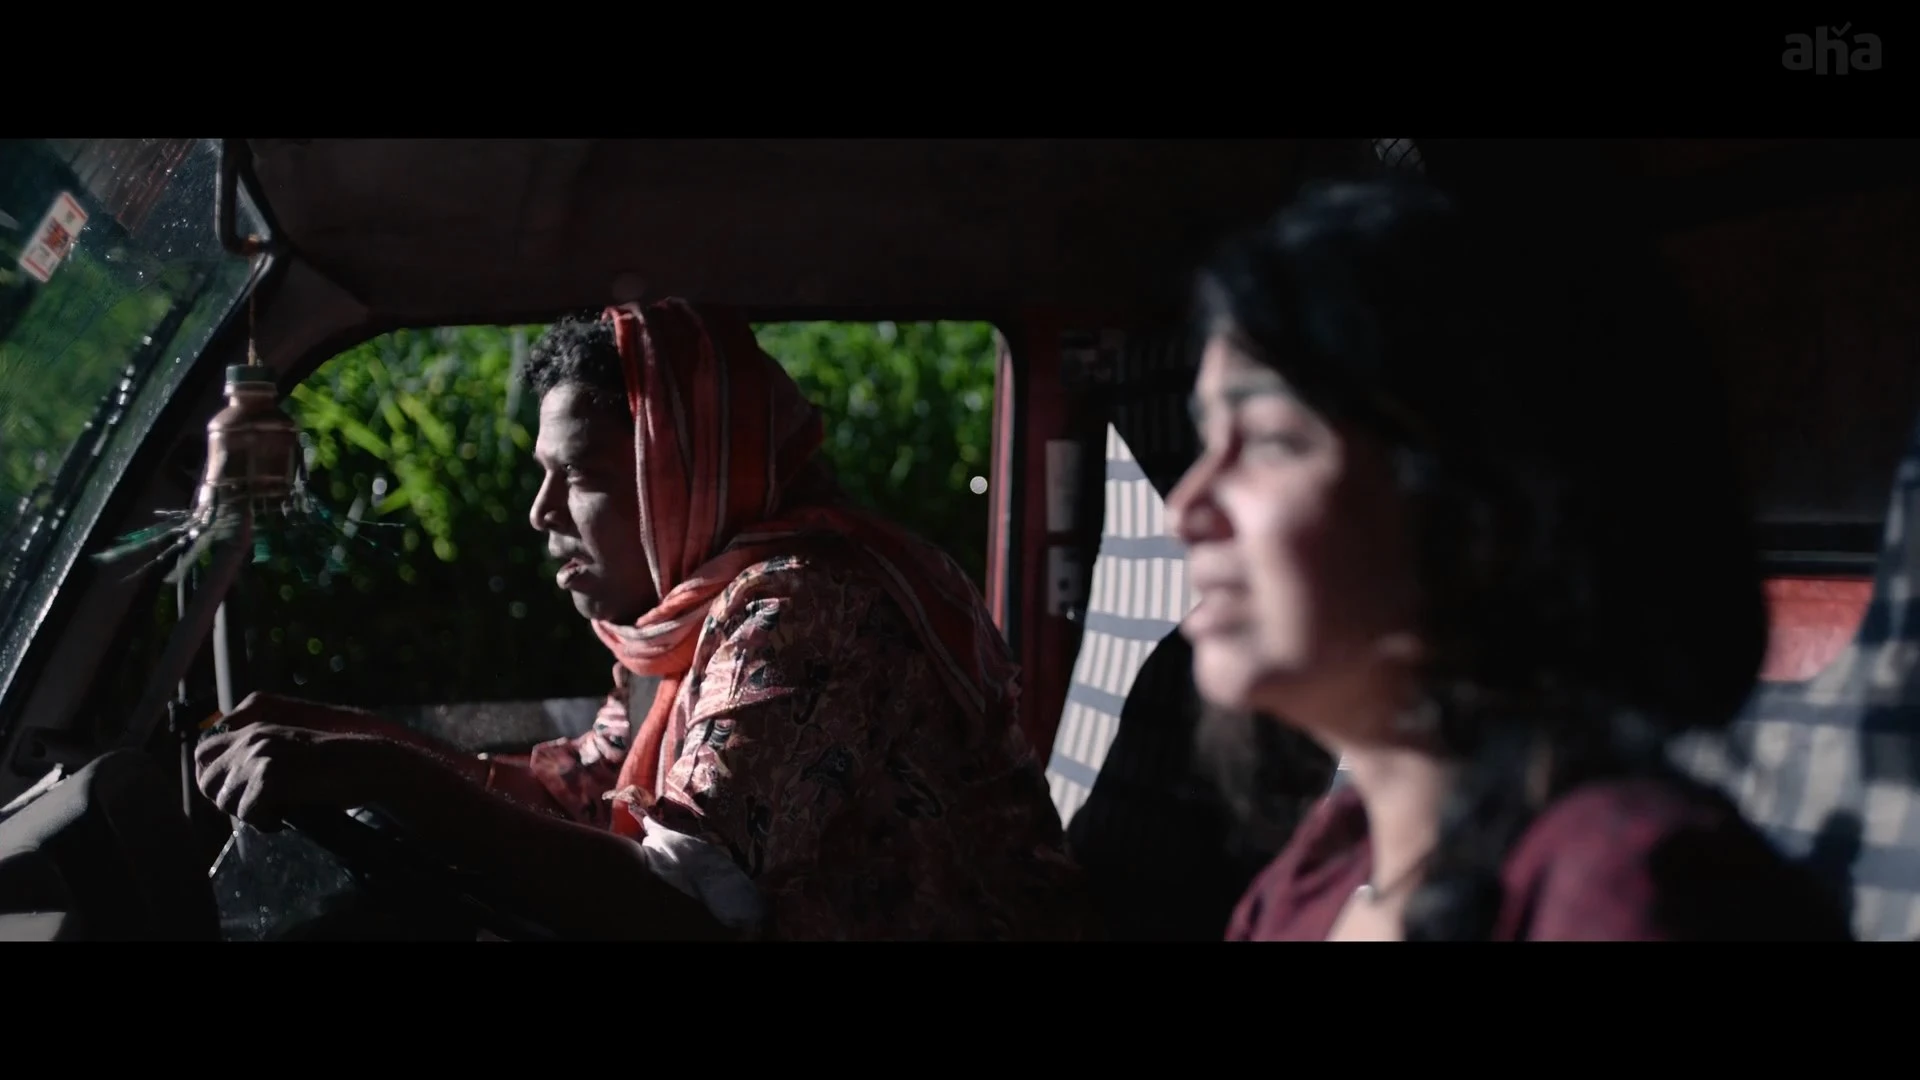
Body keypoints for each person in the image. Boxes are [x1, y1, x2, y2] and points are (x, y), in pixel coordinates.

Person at [195, 298, 1091, 941]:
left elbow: (671, 904)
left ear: (682, 476)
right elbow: (575, 795)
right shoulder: (687, 626)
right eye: (543, 476)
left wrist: (386, 774)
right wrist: (346, 741)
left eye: (580, 476)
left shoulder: (809, 605)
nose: (541, 512)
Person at [1168, 174, 1852, 941]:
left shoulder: (1627, 892)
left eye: (1268, 440)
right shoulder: (1314, 877)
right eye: (1205, 439)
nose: (1184, 509)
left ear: (1480, 508)